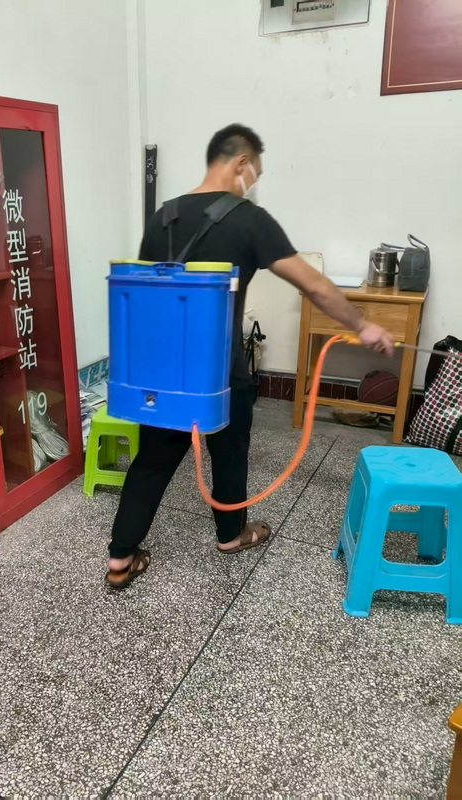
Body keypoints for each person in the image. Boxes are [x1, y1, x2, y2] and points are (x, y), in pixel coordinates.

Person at [105, 123, 394, 588]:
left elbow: (153, 295)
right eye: (255, 172)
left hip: (164, 371)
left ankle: (121, 558)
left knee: (152, 459)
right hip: (221, 369)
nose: (253, 181)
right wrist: (363, 325)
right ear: (240, 162)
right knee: (230, 452)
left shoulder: (162, 216)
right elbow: (315, 285)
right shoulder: (249, 219)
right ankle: (231, 535)